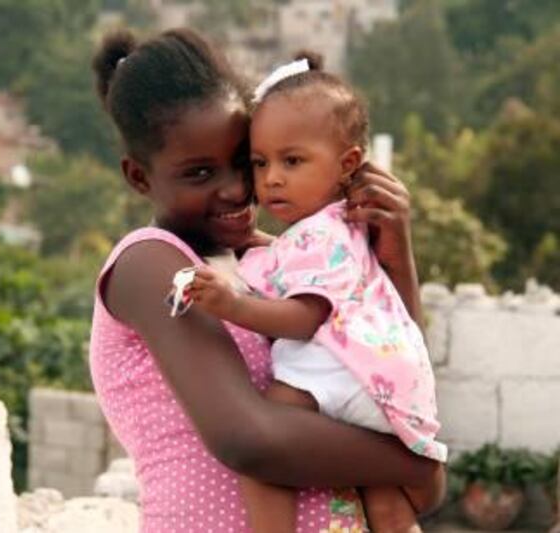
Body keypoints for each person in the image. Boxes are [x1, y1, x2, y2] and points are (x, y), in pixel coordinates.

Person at [89, 27, 445, 533]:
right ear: (139, 178)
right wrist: (416, 461)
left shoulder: (279, 262)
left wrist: (394, 252)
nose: (237, 189)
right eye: (199, 173)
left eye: (245, 163)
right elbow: (248, 440)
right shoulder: (151, 267)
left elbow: (388, 375)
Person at [187, 51, 447, 533]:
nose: (272, 179)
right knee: (385, 501)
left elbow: (305, 316)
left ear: (348, 163)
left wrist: (231, 304)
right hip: (383, 382)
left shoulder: (319, 235)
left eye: (293, 160)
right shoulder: (338, 231)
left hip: (341, 372)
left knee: (264, 450)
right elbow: (288, 263)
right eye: (259, 163)